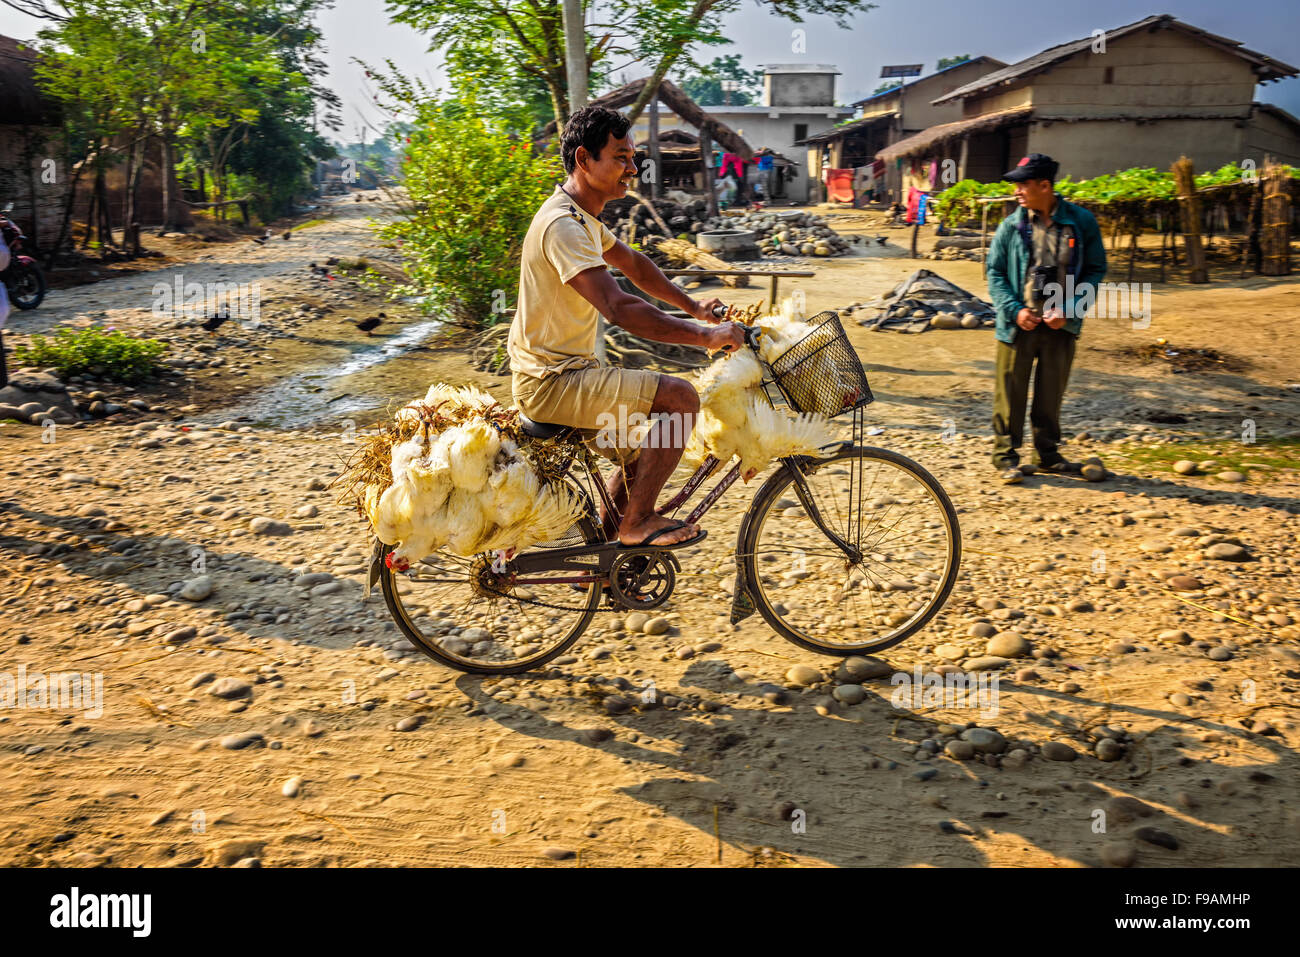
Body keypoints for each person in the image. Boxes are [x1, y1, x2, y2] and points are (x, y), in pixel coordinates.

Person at [508, 105, 747, 547]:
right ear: (584, 160)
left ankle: (602, 555)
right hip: (552, 382)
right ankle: (636, 523)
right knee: (679, 399)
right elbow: (617, 306)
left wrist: (694, 307)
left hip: (571, 373)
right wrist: (705, 337)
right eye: (621, 157)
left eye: (633, 158)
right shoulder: (563, 226)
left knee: (651, 446)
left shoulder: (583, 219)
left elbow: (636, 266)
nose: (632, 168)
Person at [986, 153, 1107, 484]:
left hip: (1061, 325)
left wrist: (1070, 308)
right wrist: (1015, 310)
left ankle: (1047, 455)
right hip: (1018, 325)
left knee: (1051, 393)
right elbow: (994, 272)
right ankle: (1005, 457)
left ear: (1045, 185)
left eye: (1023, 185)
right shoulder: (1011, 225)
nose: (1017, 192)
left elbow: (1096, 269)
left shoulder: (1081, 222)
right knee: (1009, 393)